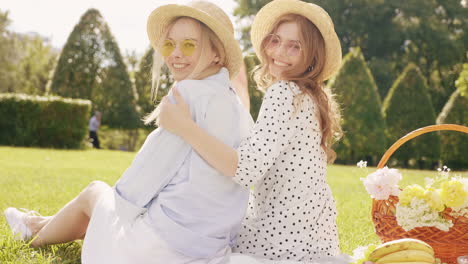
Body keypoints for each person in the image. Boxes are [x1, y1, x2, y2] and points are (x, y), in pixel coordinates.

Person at [4, 1, 253, 263]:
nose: (175, 54)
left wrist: (116, 213)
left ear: (217, 53)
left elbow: (145, 176)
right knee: (100, 206)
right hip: (207, 246)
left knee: (95, 192)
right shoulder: (236, 107)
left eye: (189, 44)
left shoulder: (188, 95)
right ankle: (36, 223)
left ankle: (31, 236)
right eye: (169, 44)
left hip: (161, 248)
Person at [158, 0, 346, 262]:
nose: (279, 52)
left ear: (312, 57)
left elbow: (246, 170)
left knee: (189, 224)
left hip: (281, 242)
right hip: (314, 241)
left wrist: (184, 126)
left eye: (295, 46)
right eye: (275, 40)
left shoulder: (284, 93)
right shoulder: (309, 96)